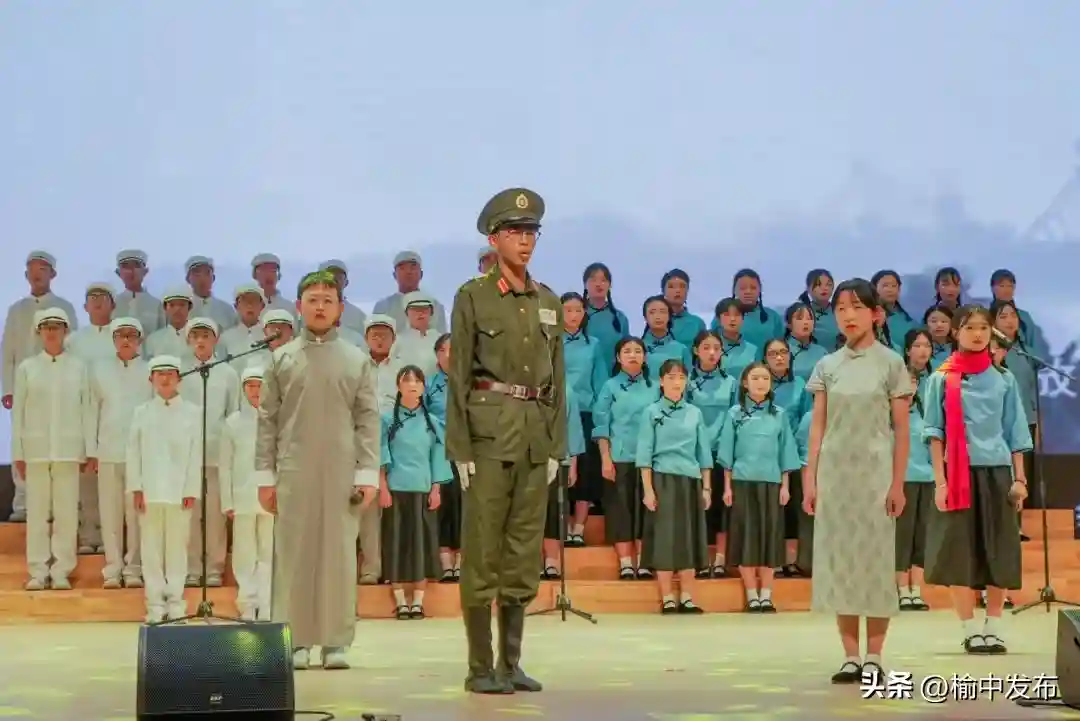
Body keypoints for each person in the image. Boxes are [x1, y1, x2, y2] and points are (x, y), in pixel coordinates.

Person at [445, 187, 565, 694]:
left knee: (522, 552)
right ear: (494, 239)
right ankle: (480, 667)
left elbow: (557, 380)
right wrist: (459, 447)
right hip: (489, 437)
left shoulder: (549, 301)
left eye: (531, 231)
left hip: (535, 437)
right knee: (482, 551)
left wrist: (557, 446)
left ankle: (510, 664)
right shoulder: (473, 296)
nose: (525, 240)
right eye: (515, 231)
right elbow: (459, 376)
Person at [255, 269, 381, 671]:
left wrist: (367, 473)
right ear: (299, 307)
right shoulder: (281, 359)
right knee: (293, 555)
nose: (321, 307)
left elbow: (368, 420)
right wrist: (265, 476)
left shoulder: (356, 360)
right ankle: (294, 639)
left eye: (328, 300)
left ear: (340, 308)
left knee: (339, 554)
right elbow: (267, 422)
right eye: (313, 300)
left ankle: (335, 641)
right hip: (293, 470)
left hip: (342, 472)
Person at [802, 278, 910, 684]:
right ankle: (850, 656)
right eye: (841, 308)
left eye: (857, 307)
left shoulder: (891, 363)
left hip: (876, 475)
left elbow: (902, 430)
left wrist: (897, 484)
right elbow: (818, 427)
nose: (848, 315)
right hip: (836, 475)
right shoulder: (827, 366)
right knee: (841, 562)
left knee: (875, 563)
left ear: (876, 314)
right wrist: (810, 479)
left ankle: (875, 656)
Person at [922, 305, 1032, 655]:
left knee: (999, 550)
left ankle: (994, 628)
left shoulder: (1004, 378)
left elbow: (1015, 432)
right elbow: (934, 433)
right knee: (959, 552)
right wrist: (940, 483)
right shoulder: (941, 378)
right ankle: (970, 629)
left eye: (984, 327)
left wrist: (1020, 479)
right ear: (956, 332)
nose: (978, 334)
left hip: (997, 472)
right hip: (957, 474)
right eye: (970, 327)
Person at [14, 307, 95, 590]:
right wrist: (18, 453)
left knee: (66, 515)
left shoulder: (78, 367)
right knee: (37, 514)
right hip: (35, 450)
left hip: (68, 450)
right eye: (46, 327)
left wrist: (89, 449)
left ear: (65, 331)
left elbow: (87, 410)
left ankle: (61, 570)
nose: (51, 332)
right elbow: (18, 414)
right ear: (39, 332)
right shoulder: (27, 368)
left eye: (57, 327)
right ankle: (37, 571)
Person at [2, 250, 79, 522]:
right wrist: (7, 388)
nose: (37, 275)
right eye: (32, 270)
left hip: (58, 387)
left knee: (57, 445)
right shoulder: (16, 310)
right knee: (24, 444)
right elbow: (7, 352)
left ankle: (56, 506)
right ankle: (23, 504)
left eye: (42, 269)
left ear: (53, 274)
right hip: (25, 386)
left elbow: (73, 348)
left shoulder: (64, 307)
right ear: (26, 275)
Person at [718, 363, 801, 612]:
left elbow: (786, 452)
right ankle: (751, 594)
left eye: (765, 378)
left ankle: (766, 594)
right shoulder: (734, 414)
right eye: (755, 378)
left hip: (772, 483)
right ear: (745, 383)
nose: (761, 382)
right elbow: (727, 453)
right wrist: (727, 487)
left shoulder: (779, 414)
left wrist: (785, 486)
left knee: (769, 538)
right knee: (746, 538)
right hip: (742, 482)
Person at [127, 355, 200, 622]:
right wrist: (136, 487)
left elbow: (196, 454)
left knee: (177, 549)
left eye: (170, 373)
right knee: (151, 550)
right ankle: (155, 604)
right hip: (150, 491)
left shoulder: (192, 412)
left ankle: (176, 602)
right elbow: (133, 452)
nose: (165, 379)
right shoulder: (142, 412)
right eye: (160, 374)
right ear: (151, 379)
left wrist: (191, 489)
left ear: (179, 378)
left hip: (180, 492)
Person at [637, 359, 711, 614]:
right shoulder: (651, 412)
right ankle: (667, 597)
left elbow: (703, 453)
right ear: (661, 381)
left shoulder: (695, 412)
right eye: (670, 377)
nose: (676, 382)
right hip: (663, 479)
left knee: (689, 537)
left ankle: (688, 597)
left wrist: (707, 488)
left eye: (680, 377)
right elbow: (644, 453)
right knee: (665, 538)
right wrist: (648, 489)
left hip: (690, 480)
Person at [378, 366, 453, 619]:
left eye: (417, 381)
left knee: (423, 545)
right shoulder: (386, 421)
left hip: (423, 489)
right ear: (398, 386)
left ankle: (419, 600)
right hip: (396, 490)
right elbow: (381, 454)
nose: (412, 385)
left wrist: (436, 489)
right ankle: (400, 600)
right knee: (396, 544)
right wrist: (383, 487)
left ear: (423, 387)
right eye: (406, 380)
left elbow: (438, 457)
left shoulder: (432, 422)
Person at [89, 317, 153, 589]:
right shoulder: (100, 370)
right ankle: (113, 568)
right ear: (113, 339)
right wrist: (91, 450)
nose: (126, 340)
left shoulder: (150, 370)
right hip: (108, 449)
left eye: (131, 335)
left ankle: (134, 567)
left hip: (140, 454)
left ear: (140, 339)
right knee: (110, 514)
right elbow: (91, 410)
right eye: (121, 335)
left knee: (136, 514)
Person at [179, 317, 240, 587]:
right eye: (196, 336)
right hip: (187, 454)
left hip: (217, 453)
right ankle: (192, 568)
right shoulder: (180, 372)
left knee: (216, 515)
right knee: (190, 514)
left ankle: (214, 568)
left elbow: (234, 413)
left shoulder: (227, 373)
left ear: (215, 339)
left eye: (206, 335)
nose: (201, 341)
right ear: (189, 340)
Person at [593, 337, 656, 580]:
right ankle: (626, 563)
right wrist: (605, 459)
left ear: (645, 357)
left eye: (638, 351)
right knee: (620, 511)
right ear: (618, 358)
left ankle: (643, 561)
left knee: (646, 512)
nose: (633, 355)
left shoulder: (655, 387)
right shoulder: (610, 387)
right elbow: (601, 425)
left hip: (649, 460)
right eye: (627, 351)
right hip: (619, 457)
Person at [220, 365, 275, 621]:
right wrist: (227, 501)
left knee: (268, 551)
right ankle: (247, 603)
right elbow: (225, 465)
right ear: (243, 389)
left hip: (271, 497)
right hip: (241, 496)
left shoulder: (276, 419)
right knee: (244, 552)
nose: (255, 391)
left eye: (259, 385)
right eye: (250, 385)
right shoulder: (232, 422)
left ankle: (266, 602)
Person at [69, 282, 118, 555]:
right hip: (81, 414)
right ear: (85, 306)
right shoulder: (73, 341)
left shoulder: (121, 335)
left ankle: (111, 540)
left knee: (111, 483)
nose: (98, 302)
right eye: (92, 298)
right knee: (85, 477)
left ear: (113, 304)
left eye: (103, 297)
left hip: (113, 415)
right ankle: (88, 536)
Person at [684, 330, 736, 578]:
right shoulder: (687, 382)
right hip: (694, 454)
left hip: (723, 452)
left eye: (717, 347)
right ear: (696, 351)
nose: (712, 352)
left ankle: (721, 559)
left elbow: (736, 417)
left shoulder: (731, 382)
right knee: (699, 508)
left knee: (724, 508)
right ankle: (701, 558)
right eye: (706, 347)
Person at [558, 292, 607, 548]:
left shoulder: (594, 344)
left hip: (586, 413)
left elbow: (600, 383)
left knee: (585, 473)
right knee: (561, 471)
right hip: (558, 412)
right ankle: (563, 527)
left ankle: (578, 529)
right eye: (568, 310)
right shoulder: (551, 342)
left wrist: (599, 417)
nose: (573, 315)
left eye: (578, 310)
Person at [761, 339, 810, 577]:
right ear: (765, 359)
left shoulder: (800, 384)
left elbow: (807, 418)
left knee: (792, 509)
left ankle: (790, 559)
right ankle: (772, 557)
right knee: (770, 509)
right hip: (766, 454)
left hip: (793, 454)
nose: (779, 357)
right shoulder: (760, 384)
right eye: (773, 354)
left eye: (783, 352)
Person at [358, 313, 401, 584]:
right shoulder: (356, 367)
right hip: (363, 444)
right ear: (366, 338)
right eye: (374, 334)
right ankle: (371, 570)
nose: (379, 338)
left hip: (399, 445)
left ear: (394, 338)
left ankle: (398, 569)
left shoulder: (402, 369)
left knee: (398, 511)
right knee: (368, 508)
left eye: (385, 334)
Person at [425, 334, 462, 580]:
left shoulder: (471, 383)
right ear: (438, 354)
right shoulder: (428, 385)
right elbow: (422, 417)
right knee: (442, 507)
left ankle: (462, 561)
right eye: (447, 350)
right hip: (439, 452)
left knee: (465, 507)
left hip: (467, 452)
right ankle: (445, 562)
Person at [896, 370, 932, 612]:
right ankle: (901, 591)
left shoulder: (924, 416)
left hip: (926, 481)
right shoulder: (887, 417)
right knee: (901, 538)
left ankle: (916, 590)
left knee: (922, 537)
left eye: (913, 382)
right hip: (901, 482)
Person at [542, 386, 586, 578]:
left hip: (558, 460)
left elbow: (573, 429)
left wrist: (573, 464)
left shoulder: (566, 391)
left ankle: (551, 561)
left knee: (554, 512)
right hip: (525, 460)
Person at [373, 251, 449, 334]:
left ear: (421, 274)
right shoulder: (382, 307)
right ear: (394, 275)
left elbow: (442, 338)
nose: (408, 272)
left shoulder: (435, 306)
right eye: (402, 268)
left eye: (413, 268)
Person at [113, 249, 166, 335]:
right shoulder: (112, 304)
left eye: (136, 266)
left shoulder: (156, 305)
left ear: (145, 271)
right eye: (125, 267)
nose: (131, 271)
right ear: (118, 273)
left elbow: (163, 334)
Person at [641, 295, 692, 379]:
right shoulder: (638, 349)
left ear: (669, 316)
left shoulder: (681, 349)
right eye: (652, 312)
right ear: (645, 317)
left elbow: (689, 380)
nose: (658, 316)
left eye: (662, 312)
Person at [219, 284, 268, 370]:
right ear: (236, 306)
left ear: (262, 306)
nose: (249, 305)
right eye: (244, 300)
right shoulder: (225, 337)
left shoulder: (269, 336)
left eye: (254, 300)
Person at [393, 291, 440, 378]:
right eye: (415, 309)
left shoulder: (440, 340)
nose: (420, 313)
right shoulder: (397, 341)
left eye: (424, 309)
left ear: (431, 312)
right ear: (407, 313)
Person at [185, 256, 237, 331]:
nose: (202, 278)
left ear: (213, 278)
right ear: (188, 279)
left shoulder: (227, 310)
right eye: (197, 273)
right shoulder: (181, 310)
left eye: (207, 273)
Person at [713, 297, 758, 381]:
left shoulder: (753, 350)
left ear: (743, 319)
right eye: (727, 315)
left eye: (737, 315)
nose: (732, 319)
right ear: (719, 319)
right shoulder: (711, 349)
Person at [318, 260, 368, 334]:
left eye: (339, 277)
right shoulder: (305, 311)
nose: (334, 281)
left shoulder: (358, 315)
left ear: (346, 283)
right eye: (329, 276)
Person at [144, 287, 196, 359]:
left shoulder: (199, 338)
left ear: (189, 307)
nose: (177, 310)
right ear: (165, 308)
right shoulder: (154, 339)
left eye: (182, 305)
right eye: (172, 305)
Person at [783, 302, 828, 383]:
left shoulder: (822, 352)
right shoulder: (781, 350)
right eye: (799, 318)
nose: (806, 322)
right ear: (789, 324)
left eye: (809, 318)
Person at [871, 270, 915, 353]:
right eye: (885, 286)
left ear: (899, 289)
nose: (890, 290)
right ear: (874, 288)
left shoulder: (908, 319)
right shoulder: (868, 316)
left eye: (894, 286)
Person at [660, 269, 706, 347]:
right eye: (671, 287)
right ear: (663, 291)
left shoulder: (697, 323)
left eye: (682, 286)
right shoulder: (657, 320)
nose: (678, 290)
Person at [798, 269, 839, 351]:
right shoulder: (800, 313)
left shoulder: (840, 312)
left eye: (828, 285)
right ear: (808, 288)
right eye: (818, 285)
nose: (824, 288)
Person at [251, 253, 296, 318]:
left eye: (273, 270)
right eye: (264, 270)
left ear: (279, 276)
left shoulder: (288, 307)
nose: (269, 275)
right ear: (255, 275)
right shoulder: (247, 307)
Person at [923, 304, 955, 371]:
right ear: (926, 325)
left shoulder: (960, 348)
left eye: (944, 321)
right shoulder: (920, 347)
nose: (939, 325)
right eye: (934, 321)